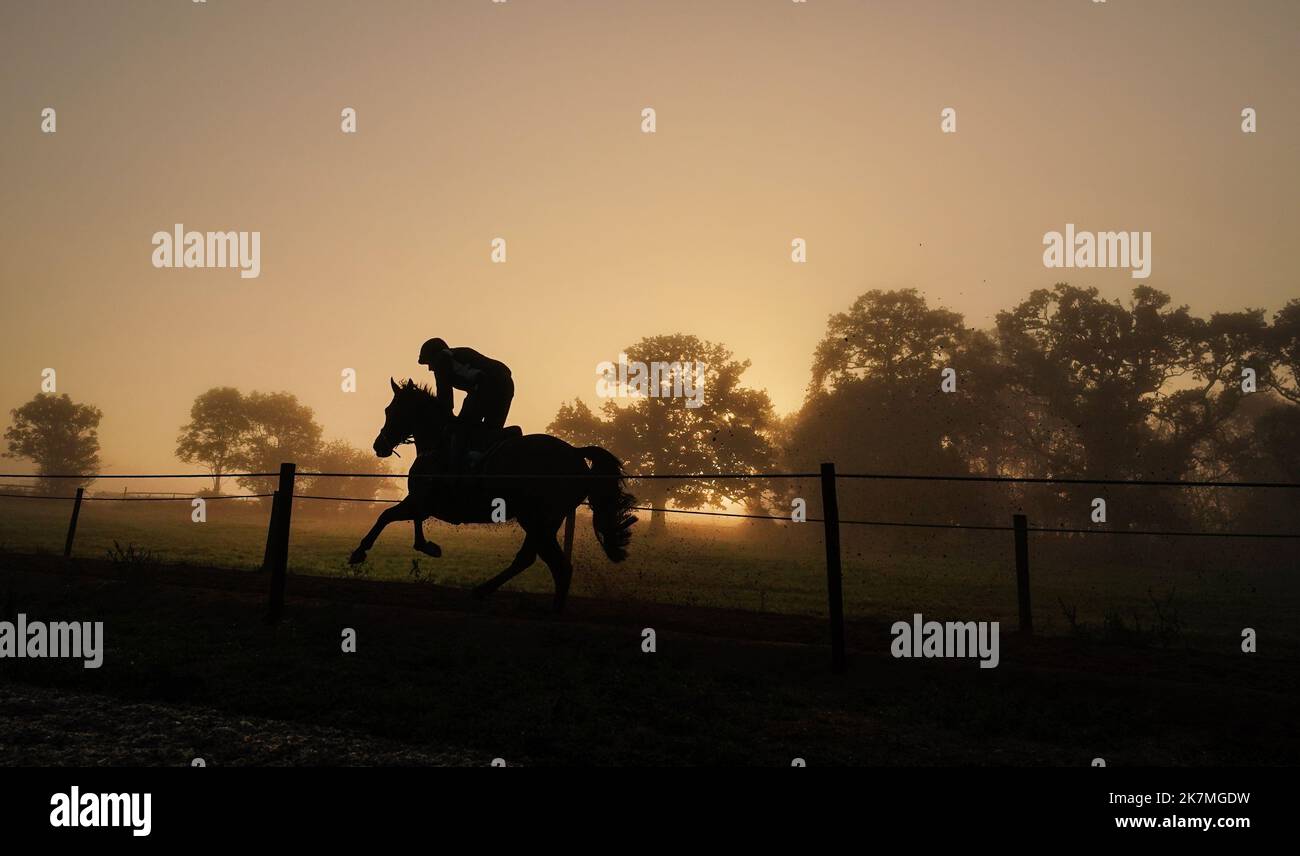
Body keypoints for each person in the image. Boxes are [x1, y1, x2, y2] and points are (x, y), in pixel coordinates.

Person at [417, 338, 514, 470]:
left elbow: (445, 399)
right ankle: (510, 435)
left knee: (459, 428)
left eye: (428, 363)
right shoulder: (456, 354)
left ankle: (462, 469)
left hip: (486, 386)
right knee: (491, 431)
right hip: (505, 384)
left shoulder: (442, 359)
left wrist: (448, 421)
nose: (429, 368)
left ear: (434, 356)